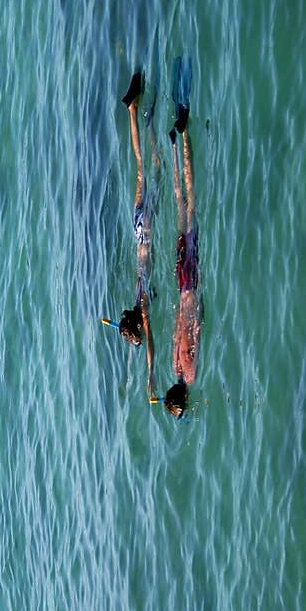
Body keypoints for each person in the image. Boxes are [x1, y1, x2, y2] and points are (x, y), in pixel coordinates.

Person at [101, 70, 160, 400]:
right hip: (136, 229)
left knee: (156, 169)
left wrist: (150, 377)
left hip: (147, 233)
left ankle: (145, 123)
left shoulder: (146, 311)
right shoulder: (135, 297)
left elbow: (150, 346)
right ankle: (133, 112)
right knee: (141, 168)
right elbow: (138, 334)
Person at [160, 56, 200, 418]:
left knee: (191, 202)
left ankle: (184, 136)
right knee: (179, 207)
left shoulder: (187, 371)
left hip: (190, 284)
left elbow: (190, 332)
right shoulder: (174, 369)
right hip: (179, 281)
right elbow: (179, 332)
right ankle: (174, 144)